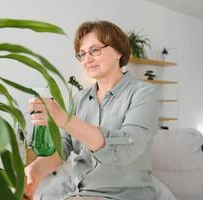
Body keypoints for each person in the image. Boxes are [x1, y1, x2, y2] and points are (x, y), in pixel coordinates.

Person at [25, 20, 158, 200]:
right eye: (82, 54)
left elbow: (126, 150)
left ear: (119, 51)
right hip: (72, 188)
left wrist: (64, 119)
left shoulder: (143, 94)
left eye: (95, 50)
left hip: (119, 194)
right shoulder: (80, 98)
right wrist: (36, 170)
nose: (87, 59)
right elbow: (63, 146)